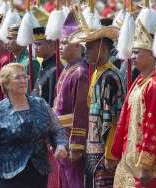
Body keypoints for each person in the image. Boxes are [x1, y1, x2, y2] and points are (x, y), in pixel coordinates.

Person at [0, 63, 68, 188]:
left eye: (24, 77)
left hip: (39, 172)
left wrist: (60, 144)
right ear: (6, 83)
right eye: (17, 78)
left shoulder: (40, 104)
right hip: (9, 175)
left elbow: (57, 129)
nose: (23, 81)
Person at [112, 10, 156, 187]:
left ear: (151, 54)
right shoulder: (140, 81)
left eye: (137, 53)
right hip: (128, 159)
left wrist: (146, 165)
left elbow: (155, 127)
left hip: (142, 168)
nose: (132, 57)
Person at [70, 24, 125, 187]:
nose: (86, 51)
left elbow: (113, 118)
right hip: (92, 147)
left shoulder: (110, 76)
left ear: (103, 49)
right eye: (86, 47)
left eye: (91, 48)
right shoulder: (96, 72)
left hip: (103, 151)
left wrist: (110, 153)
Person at [53, 10, 89, 188]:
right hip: (60, 138)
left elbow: (80, 111)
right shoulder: (67, 69)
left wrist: (76, 145)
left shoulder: (80, 72)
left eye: (65, 43)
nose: (60, 46)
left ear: (78, 46)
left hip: (70, 140)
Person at [6, 23, 40, 92]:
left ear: (20, 39)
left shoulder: (31, 62)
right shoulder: (14, 61)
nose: (7, 42)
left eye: (10, 38)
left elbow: (32, 92)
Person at [32, 26, 59, 106]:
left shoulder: (54, 69)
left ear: (51, 45)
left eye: (39, 44)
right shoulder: (44, 66)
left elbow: (51, 101)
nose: (35, 48)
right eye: (35, 44)